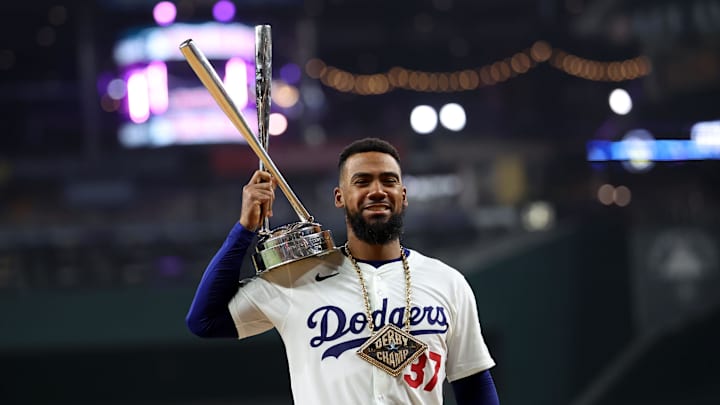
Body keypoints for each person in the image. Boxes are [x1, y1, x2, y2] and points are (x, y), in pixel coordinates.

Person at [186, 137, 500, 404]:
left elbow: (473, 382)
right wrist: (244, 229)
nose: (377, 190)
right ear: (340, 197)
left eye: (388, 180)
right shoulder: (297, 277)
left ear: (403, 196)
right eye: (361, 181)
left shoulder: (447, 282)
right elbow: (205, 321)